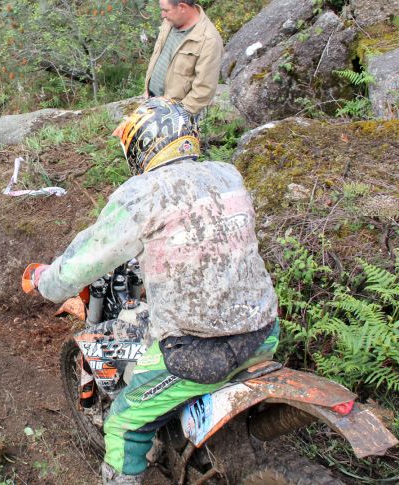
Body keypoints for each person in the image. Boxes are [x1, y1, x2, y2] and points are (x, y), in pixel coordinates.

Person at [23, 98, 279, 485]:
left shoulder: (141, 193)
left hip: (198, 349)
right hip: (264, 332)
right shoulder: (228, 175)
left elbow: (81, 264)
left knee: (125, 419)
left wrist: (46, 280)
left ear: (140, 146)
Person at [144, 0, 223, 116]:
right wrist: (147, 89)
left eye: (166, 10)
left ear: (182, 7)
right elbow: (157, 55)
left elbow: (204, 90)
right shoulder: (169, 21)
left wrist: (176, 116)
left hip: (174, 115)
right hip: (150, 101)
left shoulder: (209, 40)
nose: (162, 15)